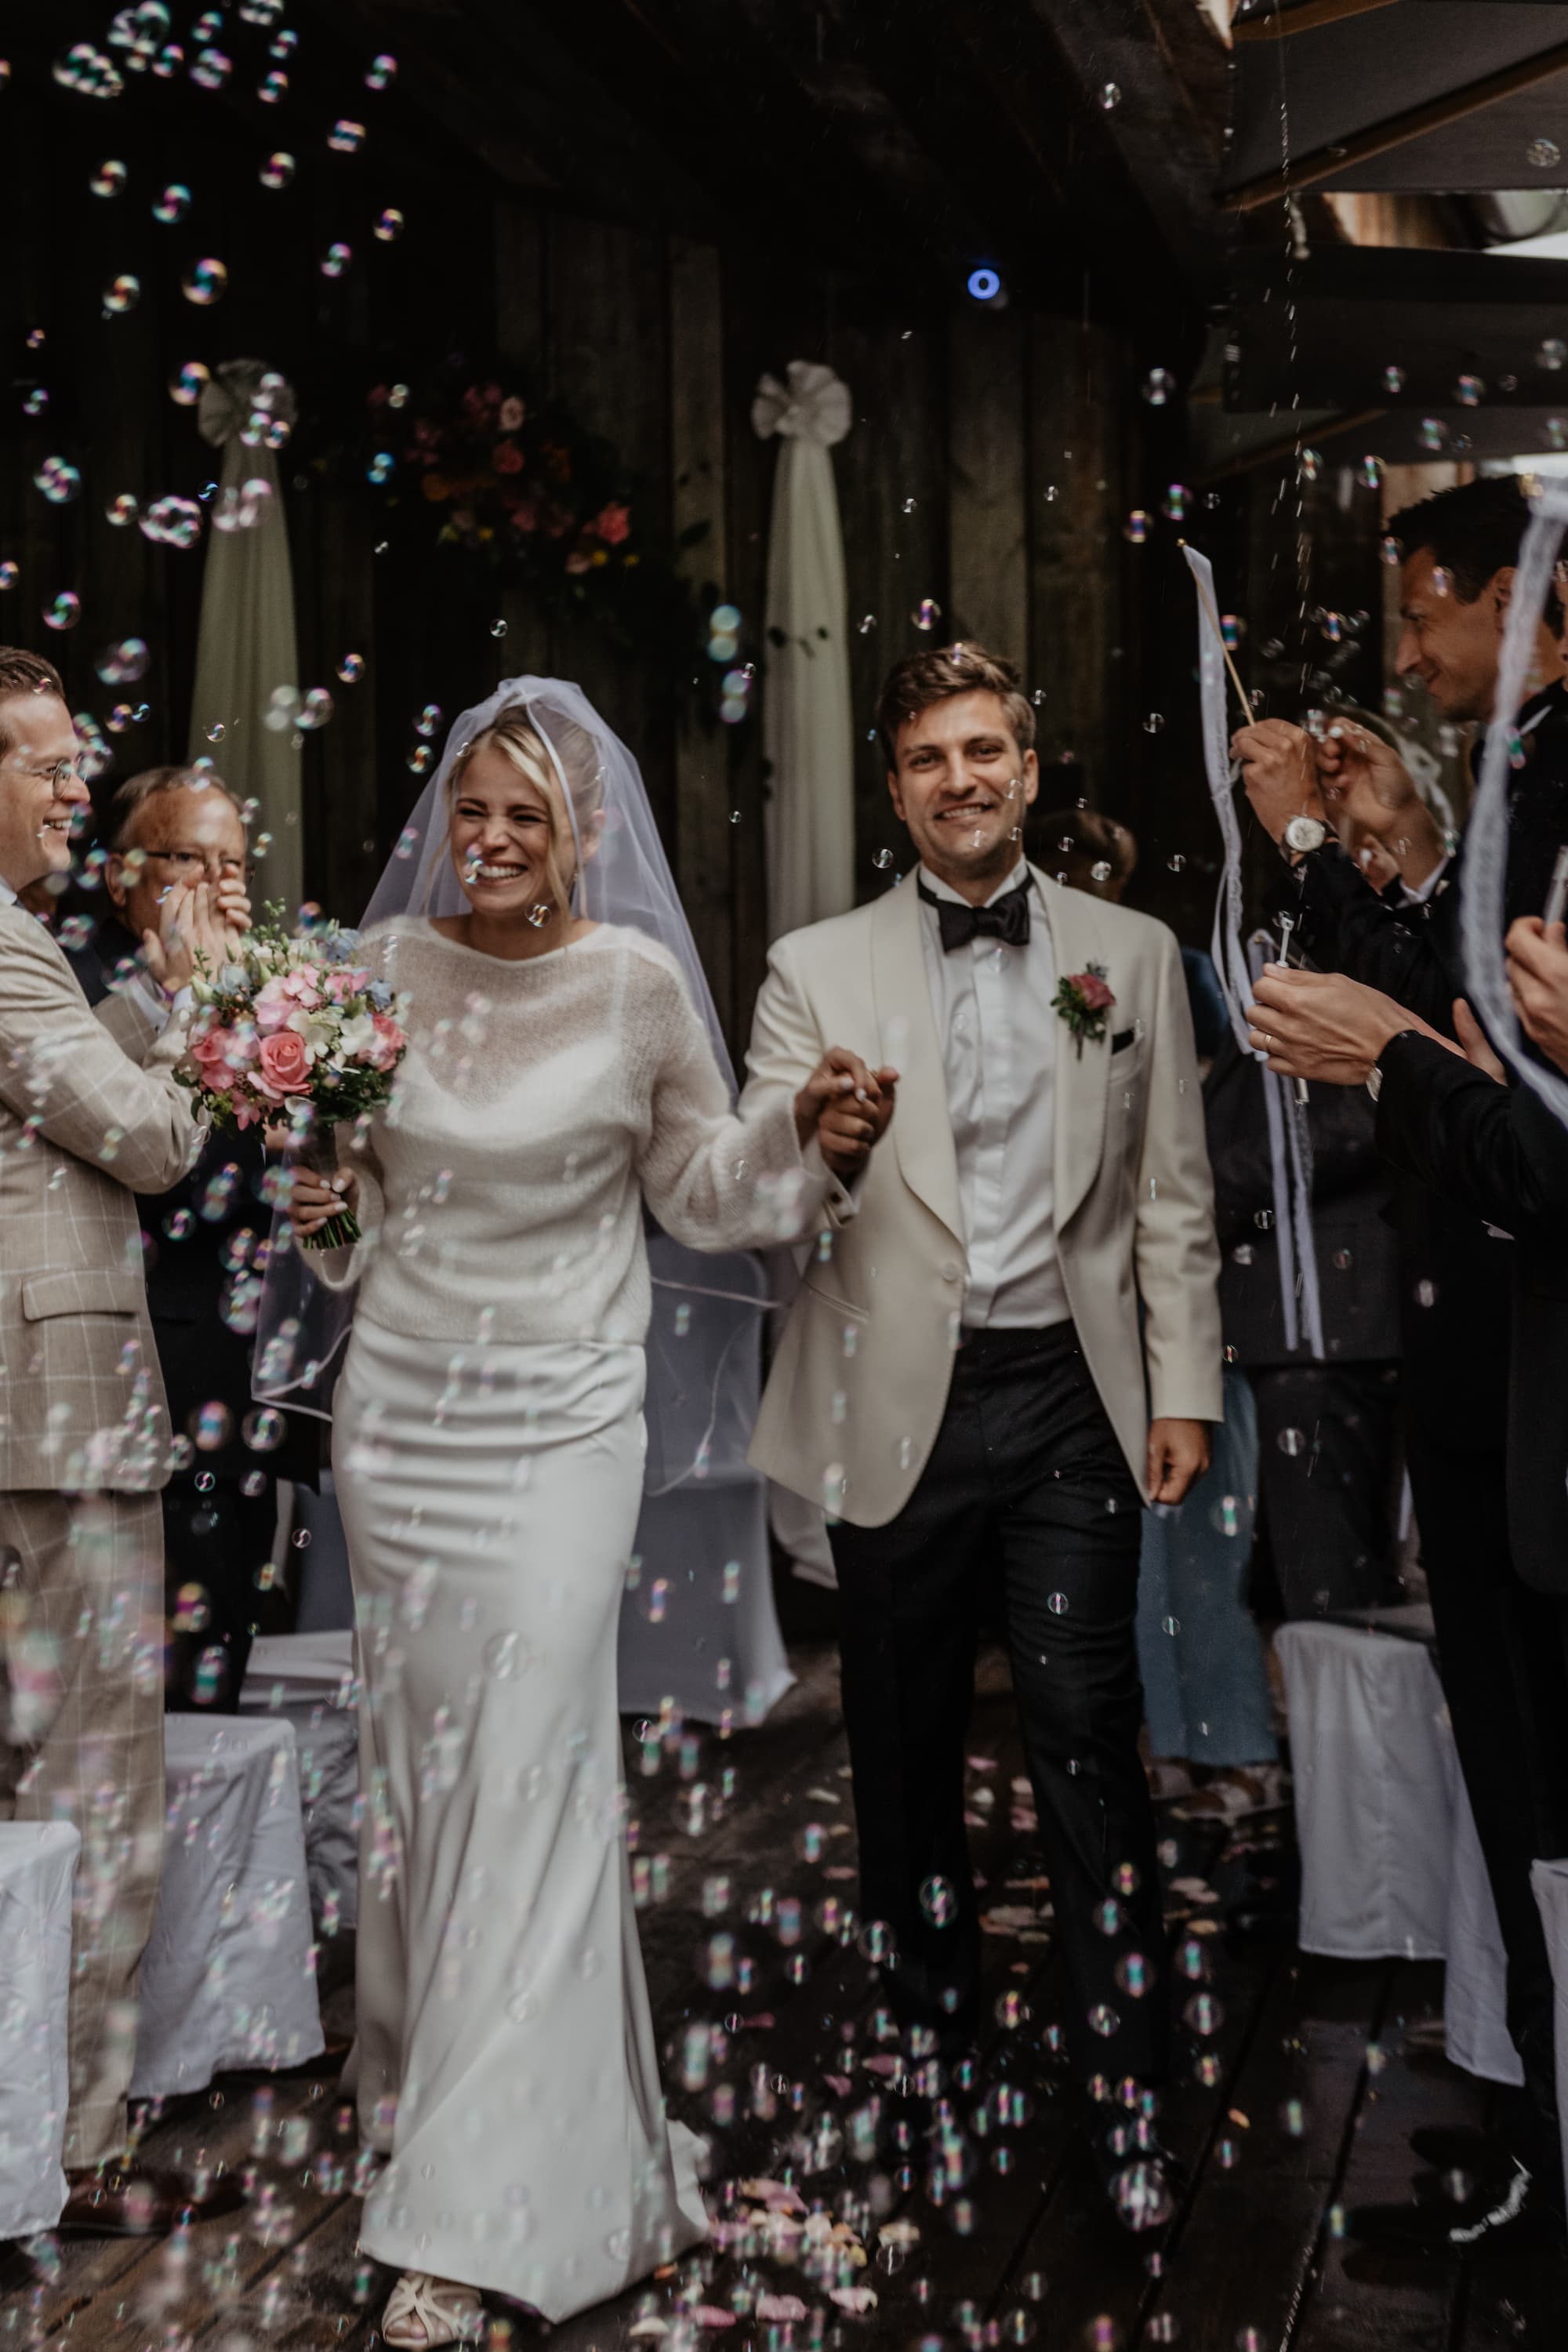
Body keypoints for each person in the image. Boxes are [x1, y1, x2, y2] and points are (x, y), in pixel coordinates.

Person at [281, 679, 881, 2345]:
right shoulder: (375, 971)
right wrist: (322, 1204)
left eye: (523, 818)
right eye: (467, 810)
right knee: (426, 1776)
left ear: (586, 832)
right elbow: (353, 1222)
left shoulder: (632, 988)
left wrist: (802, 1137)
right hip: (401, 1424)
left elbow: (702, 1190)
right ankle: (430, 2096)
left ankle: (477, 2218)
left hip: (559, 1432)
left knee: (532, 1779)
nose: (487, 841)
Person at [742, 641, 1222, 2219]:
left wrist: (1181, 1387)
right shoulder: (814, 965)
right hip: (895, 1402)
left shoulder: (1131, 953)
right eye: (928, 758)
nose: (960, 779)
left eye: (984, 751)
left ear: (1027, 768)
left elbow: (1170, 1195)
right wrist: (818, 1143)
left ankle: (1130, 2104)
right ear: (895, 790)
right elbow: (758, 1196)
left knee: (1088, 1739)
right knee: (902, 1756)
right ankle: (930, 2069)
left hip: (1071, 1400)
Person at [1233, 474, 1568, 2254]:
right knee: (1516, 1786)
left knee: (1542, 1789)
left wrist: (1309, 856)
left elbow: (1499, 1100)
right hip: (1491, 1353)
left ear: (1510, 597)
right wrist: (1402, 855)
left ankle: (1548, 2152)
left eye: (1425, 607)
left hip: (1526, 1356)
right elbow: (1460, 1008)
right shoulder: (1523, 762)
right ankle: (1531, 2124)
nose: (1406, 647)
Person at [0, 650, 241, 2231]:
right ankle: (76, 2145)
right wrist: (205, 991)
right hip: (57, 1422)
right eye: (47, 764)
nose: (77, 789)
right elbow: (152, 1143)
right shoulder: (7, 951)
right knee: (91, 1783)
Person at [64, 765, 314, 1710]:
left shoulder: (257, 985)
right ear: (121, 873)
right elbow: (147, 1158)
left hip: (244, 1367)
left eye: (231, 864)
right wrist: (188, 994)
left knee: (226, 1643)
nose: (214, 886)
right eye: (186, 860)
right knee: (142, 1682)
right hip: (140, 1374)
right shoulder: (76, 981)